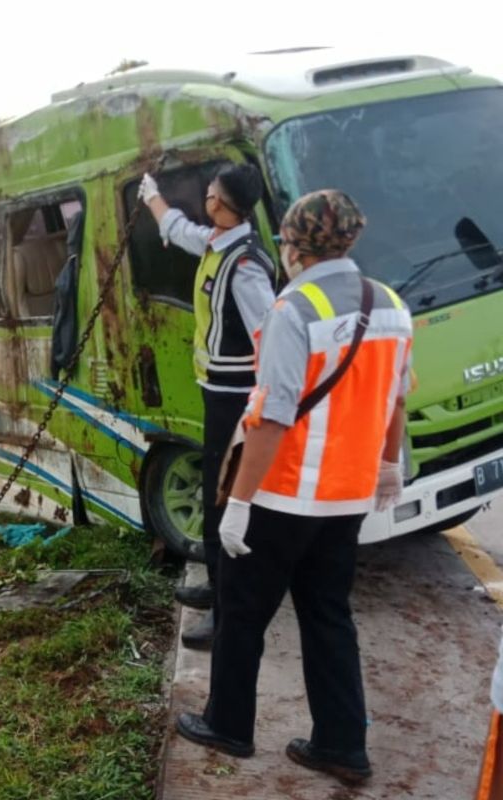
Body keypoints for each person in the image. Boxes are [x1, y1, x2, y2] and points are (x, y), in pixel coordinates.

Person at [175, 190, 413, 786]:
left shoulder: (293, 309)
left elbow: (273, 415)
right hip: (348, 497)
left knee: (242, 613)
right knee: (328, 616)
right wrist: (389, 465)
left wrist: (239, 505)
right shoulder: (390, 304)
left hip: (282, 495)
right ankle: (342, 746)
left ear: (293, 244)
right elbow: (396, 398)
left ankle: (228, 725)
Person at [138, 164, 277, 649]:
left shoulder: (244, 265)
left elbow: (270, 337)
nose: (206, 201)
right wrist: (152, 197)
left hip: (238, 397)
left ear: (224, 204)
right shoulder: (220, 245)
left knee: (222, 497)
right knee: (214, 488)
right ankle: (219, 587)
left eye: (212, 195)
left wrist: (261, 405)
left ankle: (230, 613)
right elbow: (180, 231)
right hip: (218, 391)